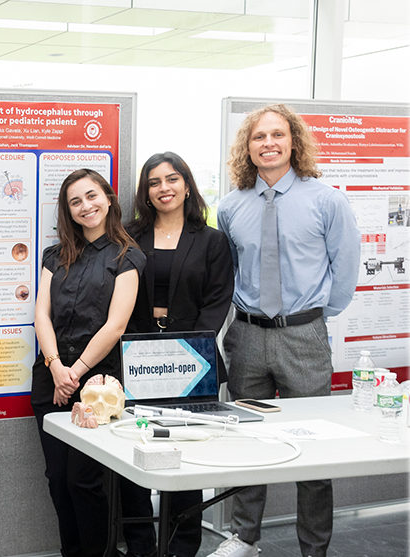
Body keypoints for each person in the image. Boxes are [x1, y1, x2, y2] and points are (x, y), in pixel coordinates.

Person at [210, 104, 360, 557]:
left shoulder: (326, 199)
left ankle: (314, 548)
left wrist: (313, 317)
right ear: (248, 147)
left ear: (293, 141)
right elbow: (232, 272)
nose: (268, 143)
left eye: (277, 134)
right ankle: (243, 539)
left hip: (304, 337)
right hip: (248, 336)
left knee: (314, 448)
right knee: (246, 439)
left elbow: (346, 268)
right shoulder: (232, 206)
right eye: (259, 137)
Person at [119, 152, 234, 557]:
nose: (163, 188)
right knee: (133, 455)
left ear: (187, 184)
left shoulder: (212, 240)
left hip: (194, 362)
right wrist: (141, 349)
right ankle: (141, 546)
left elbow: (217, 303)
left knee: (186, 457)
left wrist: (184, 352)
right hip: (137, 359)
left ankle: (182, 546)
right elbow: (119, 299)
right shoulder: (129, 235)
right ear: (145, 193)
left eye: (172, 179)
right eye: (154, 182)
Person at [33, 168, 144, 557]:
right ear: (67, 210)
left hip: (98, 385)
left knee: (85, 480)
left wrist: (75, 372)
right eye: (75, 201)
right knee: (58, 479)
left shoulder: (128, 256)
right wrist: (55, 367)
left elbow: (115, 326)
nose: (86, 206)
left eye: (92, 196)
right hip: (51, 378)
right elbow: (41, 315)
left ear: (108, 198)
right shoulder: (54, 255)